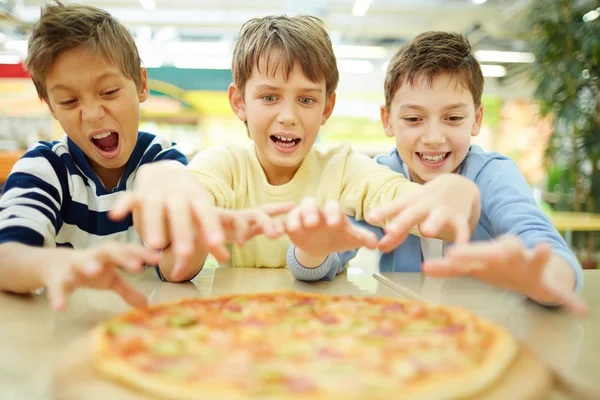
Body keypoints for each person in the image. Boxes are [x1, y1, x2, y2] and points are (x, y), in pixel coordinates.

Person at [147, 15, 483, 283]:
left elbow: (398, 198)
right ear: (240, 102)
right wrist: (194, 227)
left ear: (326, 107)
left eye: (306, 99)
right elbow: (176, 266)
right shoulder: (221, 165)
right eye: (269, 97)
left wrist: (448, 198)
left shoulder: (343, 167)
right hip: (242, 330)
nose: (289, 117)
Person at [0, 2, 284, 310]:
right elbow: (7, 256)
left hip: (143, 326)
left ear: (142, 85)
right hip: (64, 324)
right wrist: (51, 265)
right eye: (69, 101)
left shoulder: (164, 161)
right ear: (51, 106)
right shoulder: (44, 168)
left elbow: (175, 271)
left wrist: (197, 233)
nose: (93, 114)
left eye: (108, 92)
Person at [304, 31, 586, 314]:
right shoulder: (380, 175)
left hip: (484, 329)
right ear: (387, 120)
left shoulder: (493, 174)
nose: (434, 138)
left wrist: (542, 279)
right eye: (414, 119)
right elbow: (329, 254)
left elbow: (544, 244)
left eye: (453, 118)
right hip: (405, 329)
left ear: (476, 120)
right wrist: (313, 250)